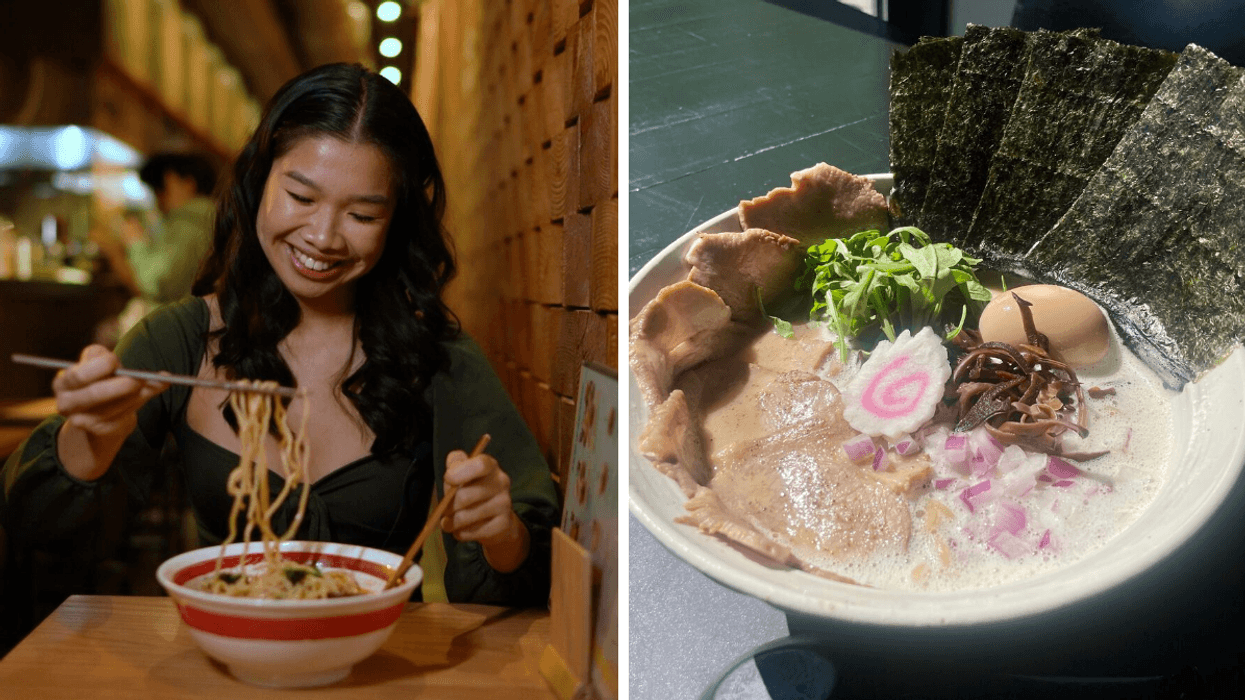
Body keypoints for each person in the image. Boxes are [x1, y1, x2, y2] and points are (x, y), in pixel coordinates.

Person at [1, 63, 558, 607]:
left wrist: (500, 532)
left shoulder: (435, 357)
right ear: (259, 181)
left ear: (396, 223)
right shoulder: (179, 339)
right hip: (223, 650)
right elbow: (33, 533)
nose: (323, 236)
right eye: (302, 197)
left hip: (381, 656)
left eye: (362, 216)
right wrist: (89, 441)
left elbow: (533, 570)